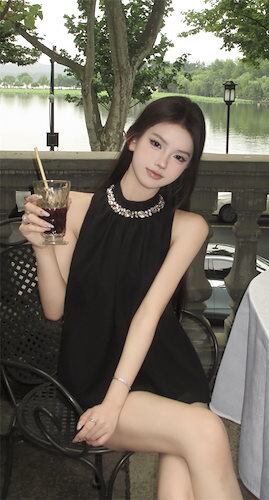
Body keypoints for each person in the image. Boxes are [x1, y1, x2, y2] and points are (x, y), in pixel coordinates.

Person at [20, 96, 243, 500]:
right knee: (204, 431)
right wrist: (41, 246)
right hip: (96, 372)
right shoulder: (74, 208)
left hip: (165, 366)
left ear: (186, 168)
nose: (162, 162)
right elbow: (55, 309)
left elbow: (149, 315)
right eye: (156, 144)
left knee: (185, 459)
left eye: (179, 157)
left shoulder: (188, 227)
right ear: (132, 139)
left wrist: (115, 403)